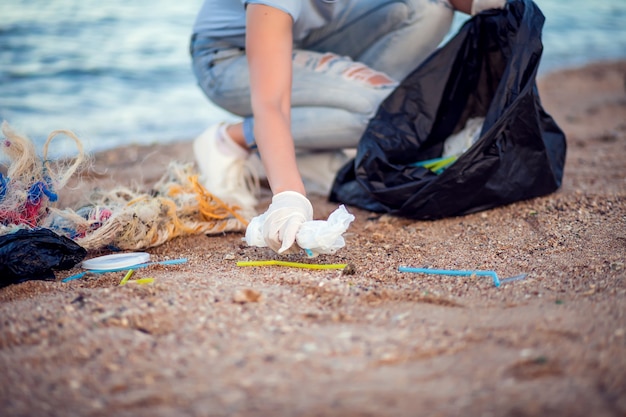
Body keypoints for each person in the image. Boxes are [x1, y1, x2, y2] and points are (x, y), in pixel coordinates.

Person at [190, 0, 506, 254]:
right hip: (230, 58)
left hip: (311, 37)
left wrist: (494, 5)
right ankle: (230, 140)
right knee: (387, 113)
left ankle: (320, 140)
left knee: (429, 8)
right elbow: (271, 102)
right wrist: (289, 197)